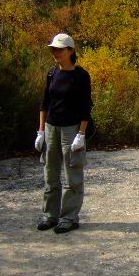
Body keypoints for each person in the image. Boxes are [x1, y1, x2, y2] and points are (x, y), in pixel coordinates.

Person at [34, 33, 92, 234]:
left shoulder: (81, 76)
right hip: (51, 128)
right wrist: (41, 131)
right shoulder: (52, 73)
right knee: (50, 174)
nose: (55, 52)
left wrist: (81, 134)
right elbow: (45, 103)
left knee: (72, 174)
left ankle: (69, 218)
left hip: (71, 129)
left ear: (71, 51)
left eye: (59, 49)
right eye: (53, 49)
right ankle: (50, 215)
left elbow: (86, 107)